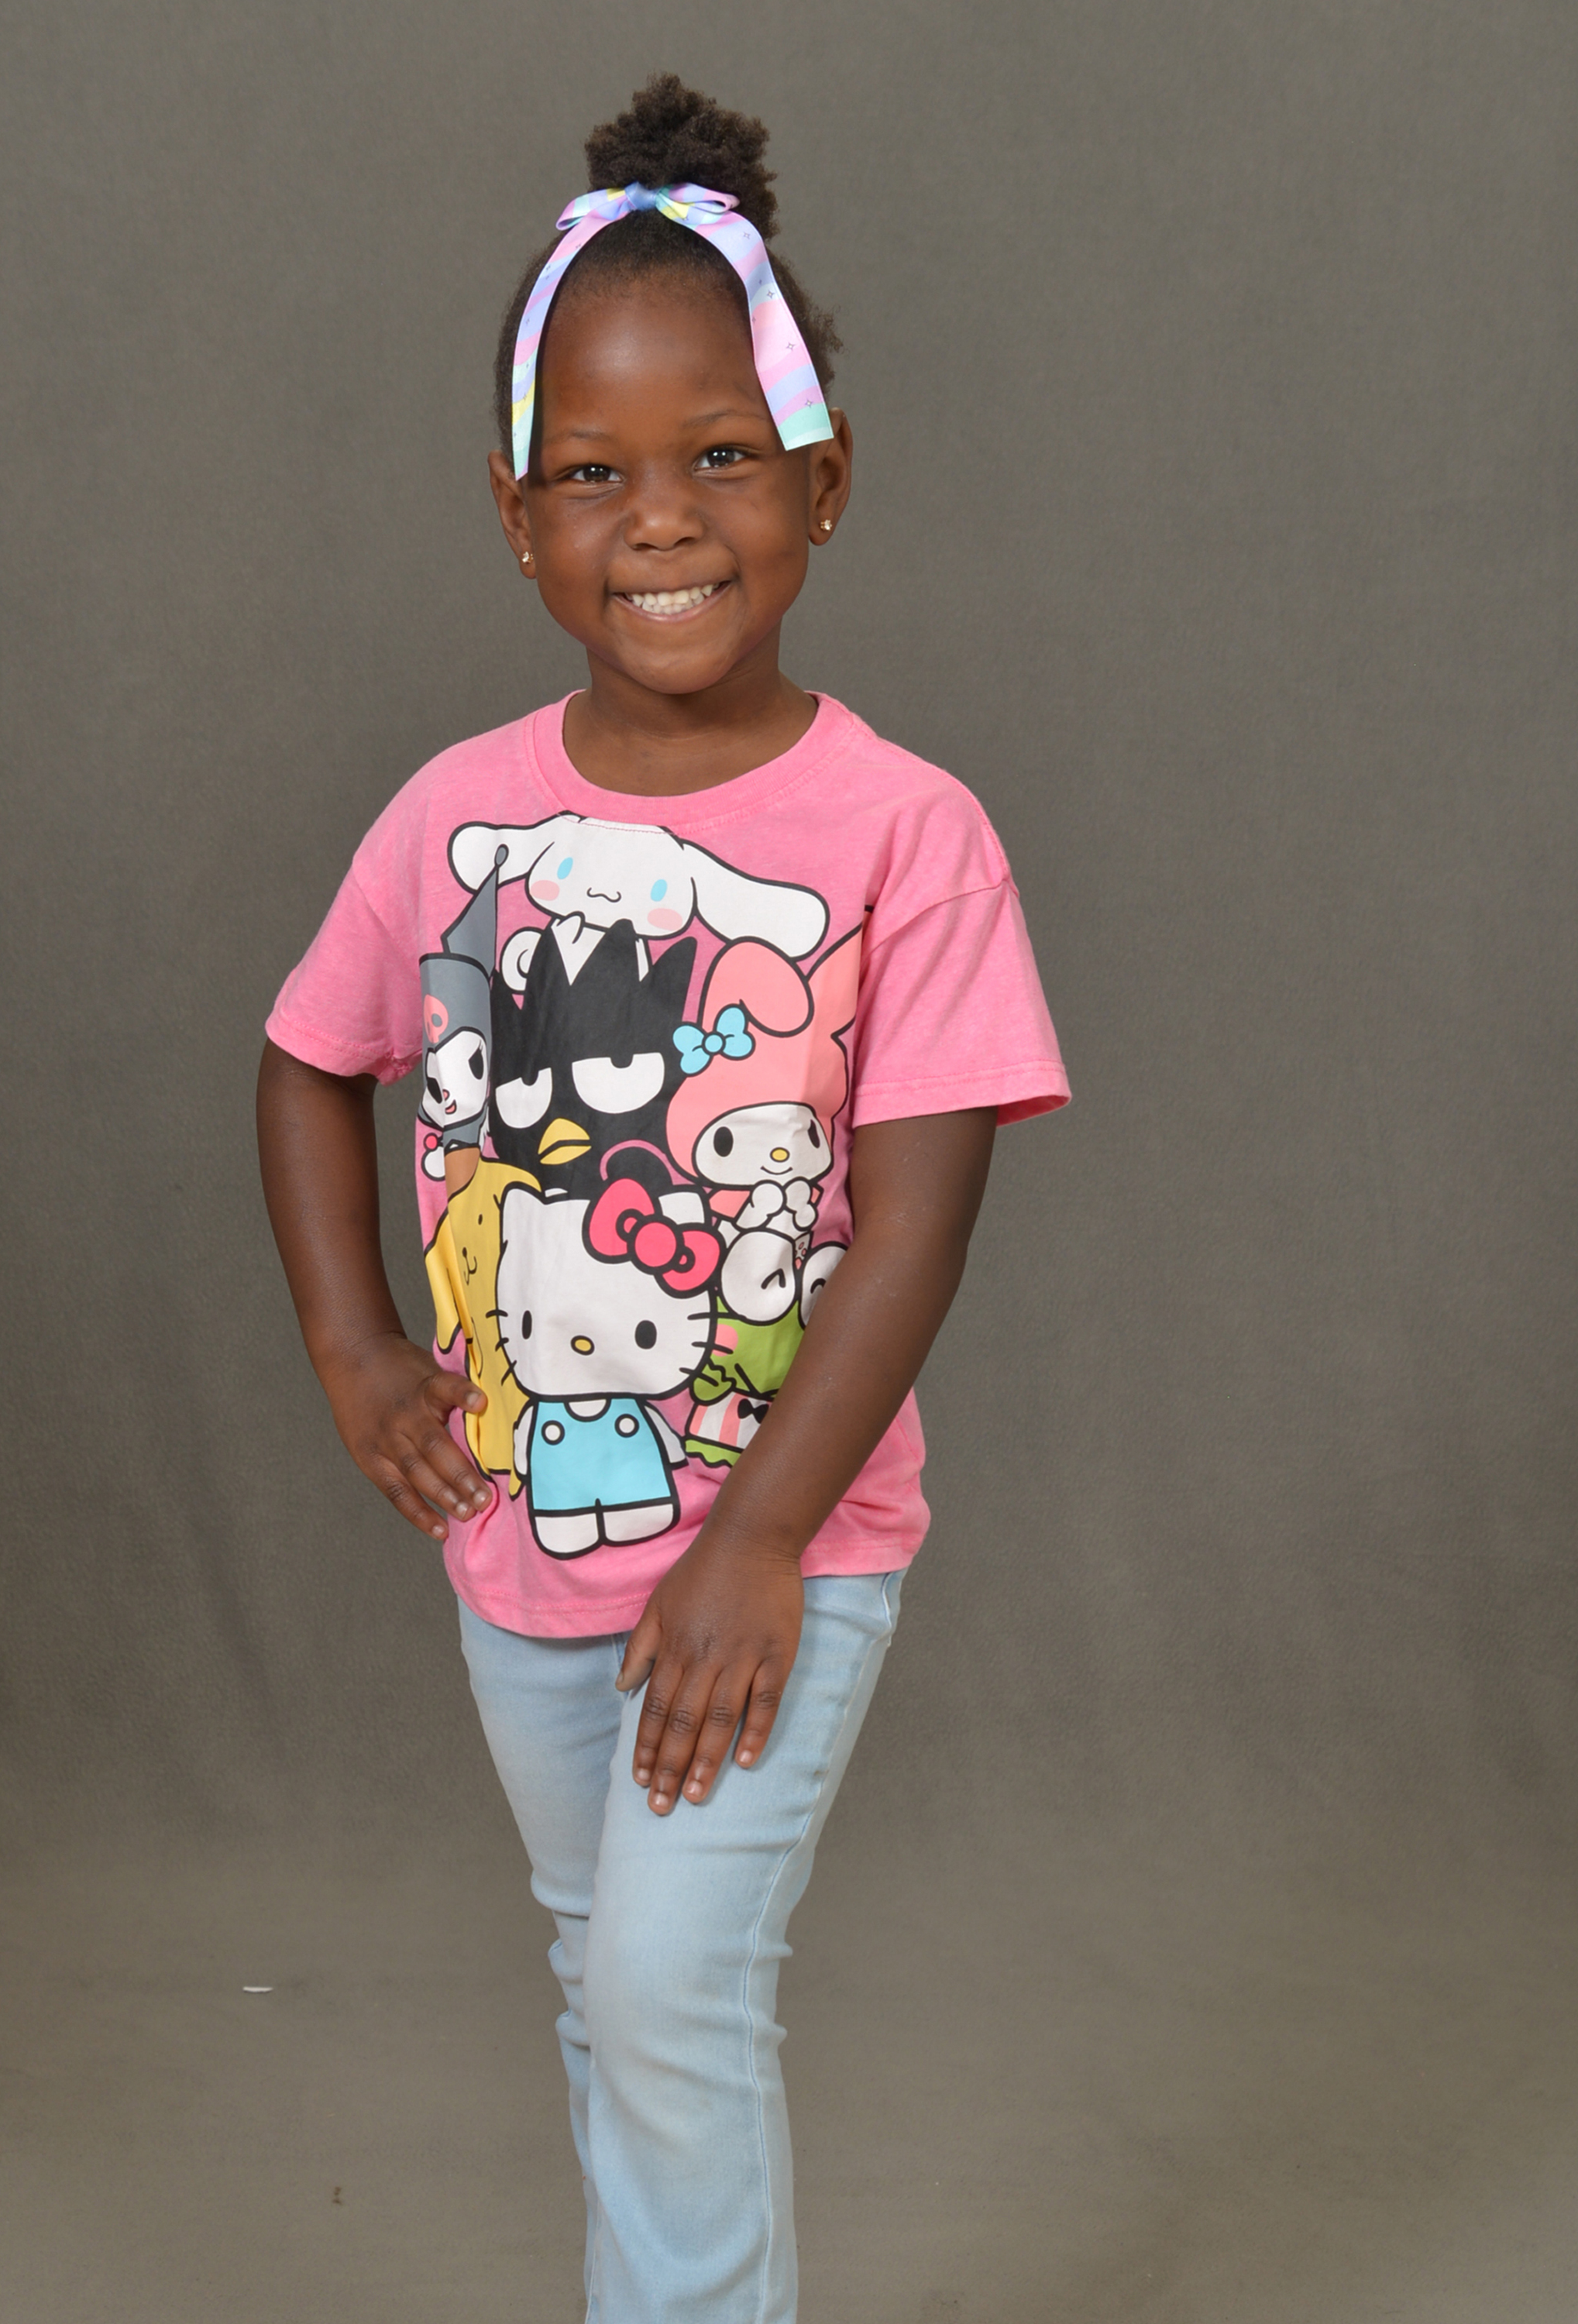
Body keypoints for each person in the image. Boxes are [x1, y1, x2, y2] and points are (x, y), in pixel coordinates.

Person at [256, 74, 1070, 2324]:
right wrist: (354, 1348)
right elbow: (311, 1057)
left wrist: (760, 1540)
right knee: (604, 1976)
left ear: (824, 476)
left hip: (781, 1546)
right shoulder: (451, 817)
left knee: (668, 1988)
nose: (662, 521)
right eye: (593, 474)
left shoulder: (909, 836)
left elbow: (915, 1226)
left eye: (721, 454)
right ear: (515, 516)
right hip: (521, 1540)